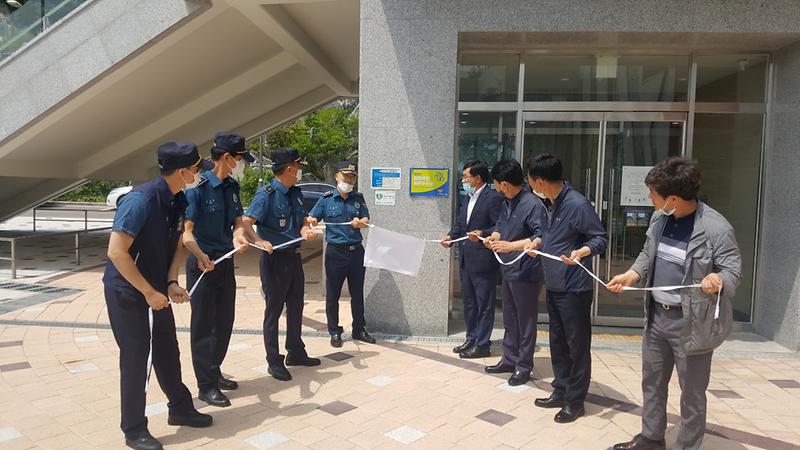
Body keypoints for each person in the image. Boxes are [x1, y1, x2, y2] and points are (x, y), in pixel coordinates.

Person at [608, 157, 741, 450]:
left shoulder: (715, 228)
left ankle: (687, 446)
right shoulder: (660, 218)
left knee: (691, 394)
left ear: (672, 198)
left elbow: (732, 270)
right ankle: (651, 438)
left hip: (692, 325)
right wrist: (632, 274)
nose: (649, 198)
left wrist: (718, 279)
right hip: (657, 318)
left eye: (653, 193)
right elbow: (647, 253)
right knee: (652, 383)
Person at [103, 141, 214, 450]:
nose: (198, 175)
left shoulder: (178, 199)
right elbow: (116, 252)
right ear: (181, 172)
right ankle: (134, 428)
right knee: (138, 356)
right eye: (195, 170)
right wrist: (149, 292)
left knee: (167, 348)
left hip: (155, 287)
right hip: (128, 289)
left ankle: (179, 407)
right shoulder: (140, 200)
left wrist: (170, 282)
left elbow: (177, 243)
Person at [182, 132, 266, 408]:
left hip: (225, 261)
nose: (241, 164)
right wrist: (200, 255)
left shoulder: (232, 187)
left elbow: (238, 223)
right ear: (227, 158)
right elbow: (187, 233)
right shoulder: (198, 188)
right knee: (203, 325)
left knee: (224, 321)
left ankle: (214, 370)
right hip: (202, 264)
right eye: (240, 159)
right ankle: (205, 386)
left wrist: (238, 237)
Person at [526, 153, 607, 424]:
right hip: (555, 284)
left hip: (575, 288)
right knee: (557, 343)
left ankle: (576, 401)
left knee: (577, 345)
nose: (530, 186)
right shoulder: (549, 203)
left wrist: (582, 251)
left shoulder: (577, 204)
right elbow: (552, 238)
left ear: (539, 181)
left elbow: (599, 237)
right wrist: (538, 245)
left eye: (531, 181)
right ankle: (560, 390)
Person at [243, 147, 321, 381]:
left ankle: (295, 352)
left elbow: (302, 222)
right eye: (297, 167)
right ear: (289, 168)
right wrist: (259, 240)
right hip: (274, 260)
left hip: (293, 258)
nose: (299, 171)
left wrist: (306, 230)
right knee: (274, 311)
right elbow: (247, 222)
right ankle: (273, 360)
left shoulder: (295, 193)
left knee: (296, 307)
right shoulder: (266, 194)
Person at [481, 159, 546, 385]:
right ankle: (509, 359)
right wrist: (495, 237)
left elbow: (541, 237)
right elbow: (500, 226)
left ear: (505, 184)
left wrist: (511, 246)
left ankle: (523, 365)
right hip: (508, 269)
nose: (495, 188)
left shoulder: (533, 204)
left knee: (525, 320)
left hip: (526, 272)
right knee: (509, 317)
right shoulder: (506, 202)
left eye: (497, 184)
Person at [308, 161, 375, 348]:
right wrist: (311, 222)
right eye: (346, 176)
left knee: (357, 294)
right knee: (333, 294)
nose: (349, 180)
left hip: (356, 252)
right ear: (337, 176)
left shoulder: (358, 198)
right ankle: (334, 331)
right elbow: (313, 217)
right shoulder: (327, 199)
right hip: (335, 253)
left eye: (353, 176)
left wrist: (360, 222)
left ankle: (359, 329)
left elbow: (366, 219)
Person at [442, 160, 504, 359]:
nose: (463, 180)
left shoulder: (493, 197)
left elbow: (500, 225)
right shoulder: (467, 198)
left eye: (466, 177)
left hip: (484, 261)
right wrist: (450, 237)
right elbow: (460, 223)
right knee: (469, 303)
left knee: (484, 304)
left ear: (478, 178)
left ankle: (483, 344)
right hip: (466, 260)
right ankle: (471, 338)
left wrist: (483, 233)